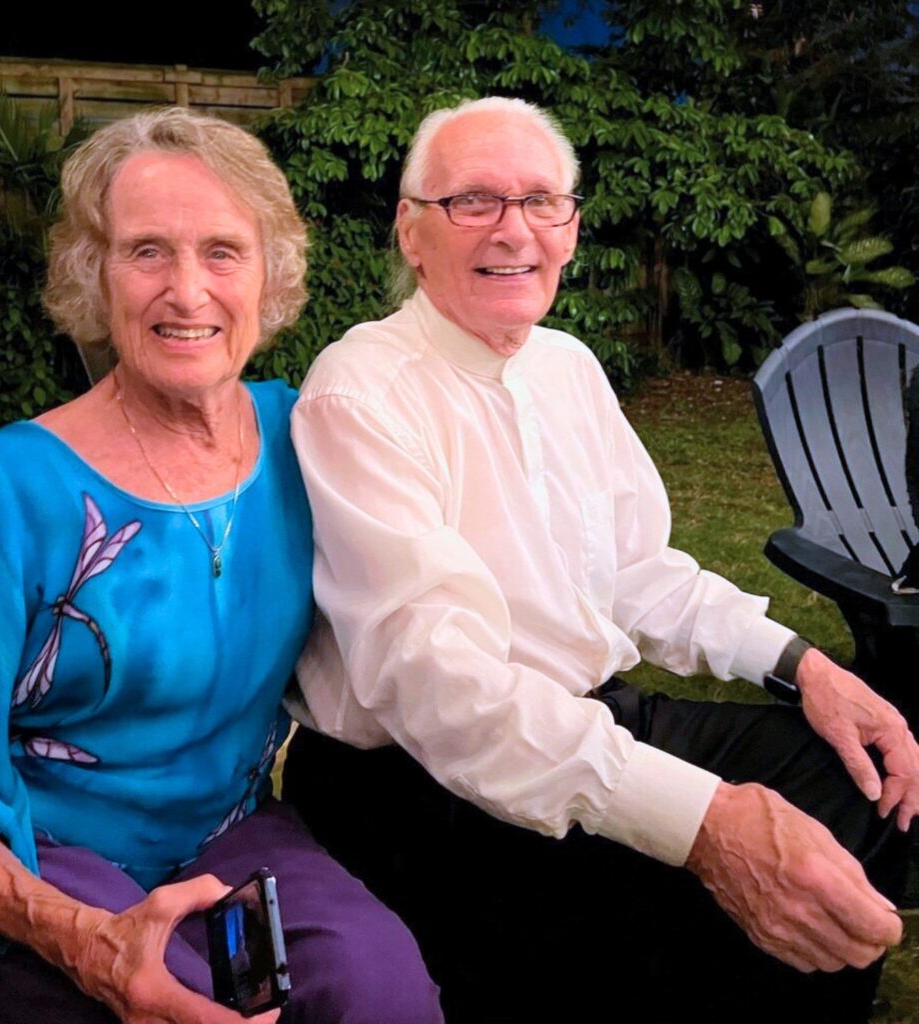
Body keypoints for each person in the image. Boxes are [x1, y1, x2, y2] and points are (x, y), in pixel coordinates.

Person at [283, 96, 919, 1024]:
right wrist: (703, 824)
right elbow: (439, 690)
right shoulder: (361, 393)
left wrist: (804, 665)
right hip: (426, 789)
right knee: (718, 901)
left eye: (542, 200)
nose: (514, 230)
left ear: (572, 228)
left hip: (589, 718)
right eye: (473, 202)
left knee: (847, 783)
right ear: (412, 234)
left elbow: (638, 570)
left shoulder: (566, 366)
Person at [0, 107, 442, 1024]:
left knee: (381, 989)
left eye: (223, 252)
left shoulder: (310, 439)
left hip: (231, 836)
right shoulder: (5, 491)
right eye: (147, 251)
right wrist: (83, 941)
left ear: (268, 275)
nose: (187, 291)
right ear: (92, 275)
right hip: (38, 850)